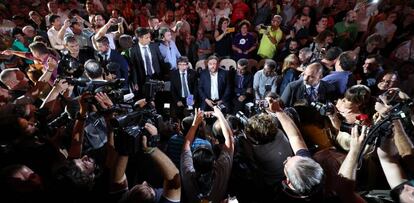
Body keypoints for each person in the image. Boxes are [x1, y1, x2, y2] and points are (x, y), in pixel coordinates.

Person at [181, 107, 234, 203]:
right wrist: (220, 115)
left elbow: (187, 143)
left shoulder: (188, 173)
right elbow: (230, 140)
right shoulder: (221, 170)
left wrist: (195, 123)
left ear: (193, 163)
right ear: (214, 162)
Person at [129, 27, 166, 92]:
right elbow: (133, 68)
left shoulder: (154, 46)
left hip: (156, 76)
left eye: (149, 37)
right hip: (143, 79)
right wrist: (135, 82)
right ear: (140, 38)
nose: (149, 39)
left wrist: (164, 76)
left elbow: (161, 61)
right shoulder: (133, 50)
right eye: (147, 38)